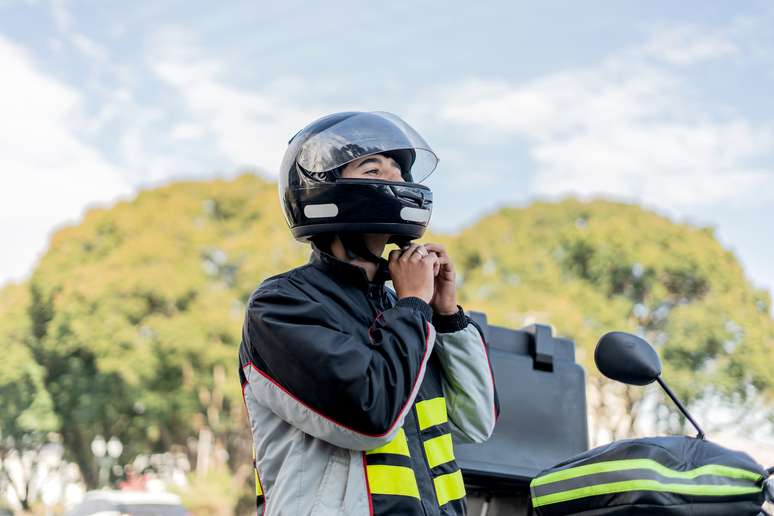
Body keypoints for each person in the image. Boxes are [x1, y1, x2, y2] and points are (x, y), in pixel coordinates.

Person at [238, 111, 498, 516]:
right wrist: (413, 305)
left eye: (399, 171)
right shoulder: (283, 303)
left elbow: (475, 423)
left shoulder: (406, 316)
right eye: (374, 168)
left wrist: (446, 317)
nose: (396, 181)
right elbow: (371, 416)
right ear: (324, 190)